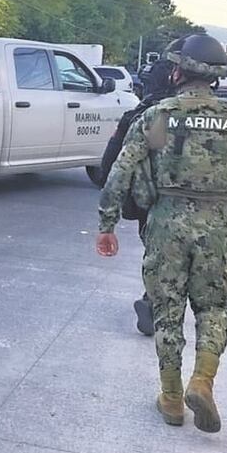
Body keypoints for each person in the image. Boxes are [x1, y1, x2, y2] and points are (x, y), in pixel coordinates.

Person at [96, 34, 227, 433]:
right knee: (213, 311)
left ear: (178, 71)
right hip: (219, 227)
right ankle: (203, 381)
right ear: (215, 77)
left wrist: (107, 224)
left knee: (167, 314)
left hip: (166, 224)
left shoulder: (159, 117)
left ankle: (173, 399)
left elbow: (121, 173)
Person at [95, 36, 188, 337]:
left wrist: (110, 217)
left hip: (153, 205)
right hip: (201, 205)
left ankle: (154, 304)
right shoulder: (211, 116)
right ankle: (161, 307)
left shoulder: (139, 117)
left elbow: (110, 167)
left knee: (159, 258)